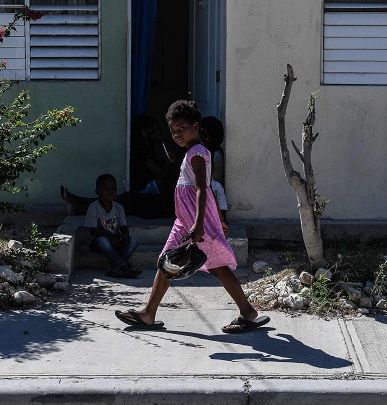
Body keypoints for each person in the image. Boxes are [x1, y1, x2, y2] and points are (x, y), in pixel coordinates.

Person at [115, 100, 269, 333]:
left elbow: (201, 189)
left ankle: (247, 311)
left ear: (195, 126)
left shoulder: (197, 153)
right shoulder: (192, 153)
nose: (177, 134)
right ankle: (149, 312)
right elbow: (208, 188)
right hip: (188, 222)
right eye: (173, 131)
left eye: (182, 129)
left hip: (194, 223)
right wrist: (219, 218)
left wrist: (199, 224)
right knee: (171, 262)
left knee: (196, 265)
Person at [84, 174, 141, 278]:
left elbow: (123, 226)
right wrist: (109, 236)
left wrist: (125, 236)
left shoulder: (118, 207)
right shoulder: (93, 207)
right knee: (103, 241)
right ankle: (124, 268)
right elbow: (92, 229)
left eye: (113, 188)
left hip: (115, 241)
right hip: (98, 242)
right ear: (97, 191)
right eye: (106, 189)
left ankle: (115, 268)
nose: (111, 191)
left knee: (133, 241)